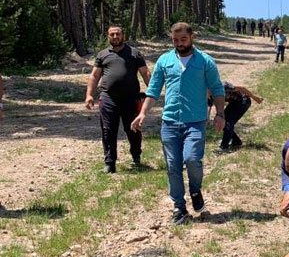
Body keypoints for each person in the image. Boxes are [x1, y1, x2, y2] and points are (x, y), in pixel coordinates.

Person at [132, 22, 225, 225]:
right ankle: (179, 208)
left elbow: (217, 89)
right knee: (173, 166)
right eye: (175, 40)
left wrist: (220, 114)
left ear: (192, 37)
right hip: (170, 122)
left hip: (196, 121)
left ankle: (195, 190)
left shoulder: (205, 61)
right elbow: (153, 90)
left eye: (183, 39)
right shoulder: (164, 60)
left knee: (192, 159)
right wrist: (143, 114)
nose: (179, 43)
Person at [85, 26, 152, 174]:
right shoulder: (102, 55)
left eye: (118, 34)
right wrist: (89, 95)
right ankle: (110, 163)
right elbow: (95, 76)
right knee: (108, 131)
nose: (115, 36)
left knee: (133, 129)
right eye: (112, 34)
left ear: (123, 35)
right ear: (108, 37)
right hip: (108, 98)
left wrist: (152, 92)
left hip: (131, 98)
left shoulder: (134, 53)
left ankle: (136, 157)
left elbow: (145, 73)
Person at [211, 81, 263, 153]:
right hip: (234, 102)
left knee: (228, 123)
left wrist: (255, 97)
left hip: (243, 101)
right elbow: (209, 107)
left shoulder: (223, 87)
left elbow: (241, 88)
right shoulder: (207, 95)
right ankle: (236, 141)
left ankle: (224, 146)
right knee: (224, 123)